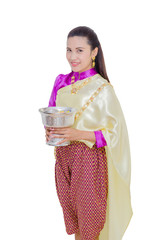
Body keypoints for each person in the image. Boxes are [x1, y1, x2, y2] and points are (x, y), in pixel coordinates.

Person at [45, 26, 133, 240]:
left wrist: (78, 134)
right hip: (64, 160)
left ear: (94, 52)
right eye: (69, 50)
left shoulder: (102, 89)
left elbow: (115, 133)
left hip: (90, 162)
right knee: (75, 224)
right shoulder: (61, 82)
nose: (72, 57)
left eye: (79, 50)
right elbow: (52, 115)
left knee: (90, 226)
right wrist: (49, 132)